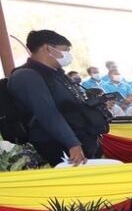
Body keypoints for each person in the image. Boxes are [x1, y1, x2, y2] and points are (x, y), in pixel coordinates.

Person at [9, 30, 108, 166]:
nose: (68, 54)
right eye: (65, 49)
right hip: (57, 146)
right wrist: (72, 143)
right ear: (48, 48)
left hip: (83, 140)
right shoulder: (26, 76)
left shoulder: (58, 75)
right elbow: (47, 114)